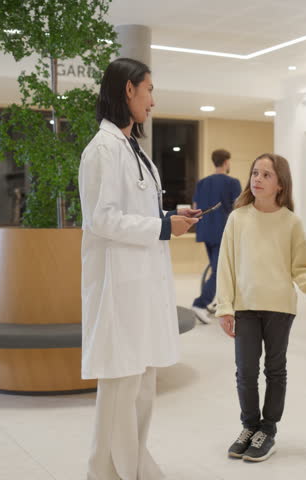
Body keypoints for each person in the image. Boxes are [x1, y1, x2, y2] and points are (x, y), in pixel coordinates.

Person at [78, 57, 200, 480]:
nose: (152, 99)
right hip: (119, 287)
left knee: (143, 383)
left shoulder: (132, 149)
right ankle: (110, 472)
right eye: (148, 89)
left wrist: (173, 215)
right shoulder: (103, 149)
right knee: (121, 386)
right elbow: (102, 219)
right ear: (128, 90)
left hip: (142, 284)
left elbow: (138, 210)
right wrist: (164, 226)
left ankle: (135, 465)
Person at [215, 153, 306, 463]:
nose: (257, 179)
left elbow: (302, 267)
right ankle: (249, 427)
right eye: (254, 173)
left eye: (266, 175)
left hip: (279, 308)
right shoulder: (238, 218)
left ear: (280, 185)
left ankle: (268, 431)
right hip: (245, 306)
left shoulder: (291, 222)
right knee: (245, 372)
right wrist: (224, 307)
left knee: (275, 370)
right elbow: (226, 265)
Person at [191, 148, 241, 324]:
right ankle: (200, 304)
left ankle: (220, 303)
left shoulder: (202, 183)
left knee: (216, 268)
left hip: (205, 231)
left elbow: (195, 206)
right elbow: (239, 208)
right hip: (223, 232)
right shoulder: (233, 183)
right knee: (219, 271)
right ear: (226, 162)